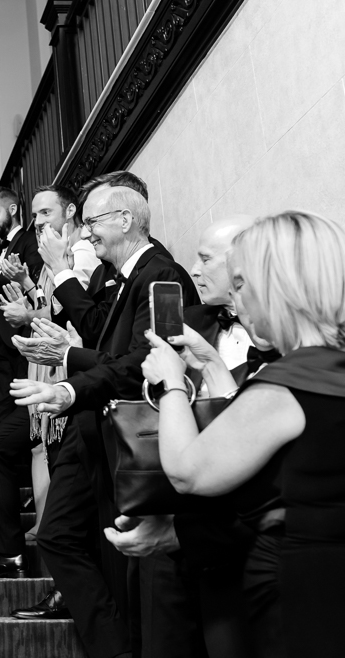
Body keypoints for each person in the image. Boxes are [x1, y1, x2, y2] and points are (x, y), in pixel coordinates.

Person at [143, 210, 345, 658]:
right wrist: (213, 365)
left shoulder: (291, 380)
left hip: (301, 588)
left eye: (241, 286)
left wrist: (172, 383)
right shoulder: (329, 368)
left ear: (277, 290)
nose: (237, 301)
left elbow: (188, 472)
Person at [9, 184, 198, 658]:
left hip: (129, 432)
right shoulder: (124, 275)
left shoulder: (161, 274)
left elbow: (142, 362)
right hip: (94, 423)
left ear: (125, 221)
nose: (84, 232)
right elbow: (107, 343)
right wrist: (66, 351)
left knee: (128, 559)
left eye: (93, 222)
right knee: (60, 536)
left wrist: (69, 379)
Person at [0, 186, 99, 542]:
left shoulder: (80, 250)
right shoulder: (49, 255)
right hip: (44, 358)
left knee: (57, 448)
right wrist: (27, 283)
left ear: (70, 211)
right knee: (41, 445)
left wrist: (28, 312)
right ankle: (46, 524)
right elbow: (50, 301)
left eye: (46, 213)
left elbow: (74, 308)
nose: (38, 222)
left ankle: (56, 528)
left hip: (67, 360)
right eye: (36, 215)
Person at [0, 186, 44, 580]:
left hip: (26, 357)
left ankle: (11, 550)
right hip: (1, 355)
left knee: (0, 445)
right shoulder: (1, 246)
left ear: (13, 209)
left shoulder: (31, 240)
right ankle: (8, 550)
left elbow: (34, 289)